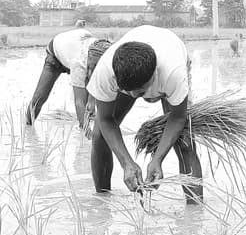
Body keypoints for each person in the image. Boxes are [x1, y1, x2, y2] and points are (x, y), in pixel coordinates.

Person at [86, 25, 201, 202]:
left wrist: (157, 159)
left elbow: (178, 118)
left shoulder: (173, 73)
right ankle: (102, 202)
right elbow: (106, 120)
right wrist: (126, 163)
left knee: (185, 142)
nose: (134, 97)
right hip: (133, 68)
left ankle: (196, 212)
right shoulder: (105, 72)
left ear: (155, 76)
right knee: (99, 135)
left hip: (170, 51)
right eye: (128, 92)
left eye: (140, 92)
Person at [25, 25, 111, 128]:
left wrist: (92, 102)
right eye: (94, 66)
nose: (97, 69)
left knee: (90, 98)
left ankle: (90, 119)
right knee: (39, 98)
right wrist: (85, 129)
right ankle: (28, 126)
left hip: (75, 43)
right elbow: (79, 102)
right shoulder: (79, 63)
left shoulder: (107, 54)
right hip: (56, 55)